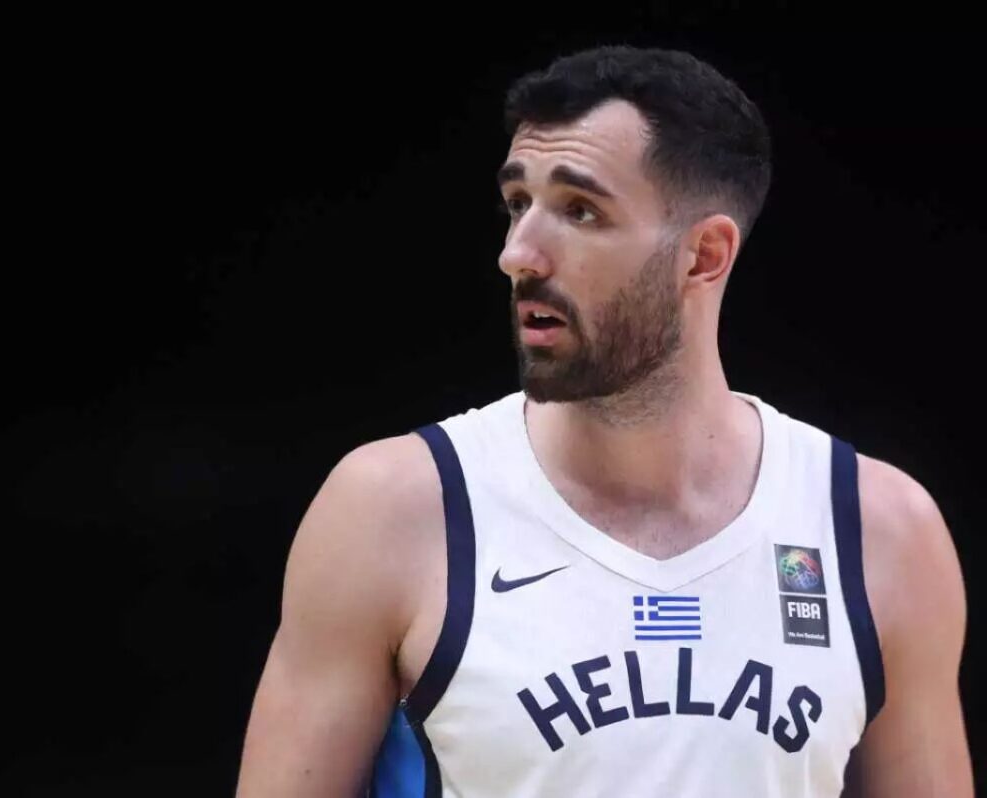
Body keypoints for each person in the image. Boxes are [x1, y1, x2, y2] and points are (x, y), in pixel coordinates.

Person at [234, 45, 972, 797]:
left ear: (704, 256)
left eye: (579, 211)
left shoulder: (879, 529)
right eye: (517, 203)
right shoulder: (392, 509)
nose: (518, 254)